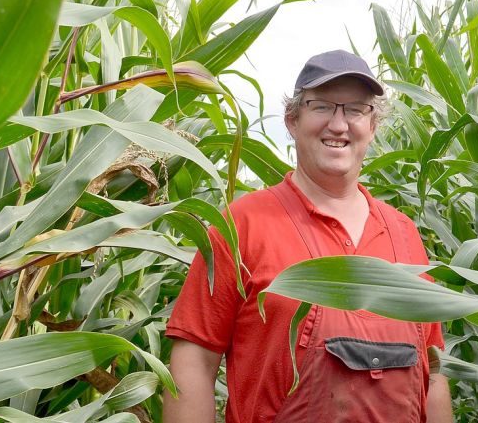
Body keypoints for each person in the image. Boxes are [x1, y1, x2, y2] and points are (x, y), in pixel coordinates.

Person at [164, 49, 453, 423]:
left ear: (373, 126)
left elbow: (433, 371)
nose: (339, 124)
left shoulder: (404, 234)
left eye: (355, 109)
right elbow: (194, 362)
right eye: (321, 107)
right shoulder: (242, 225)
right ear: (292, 120)